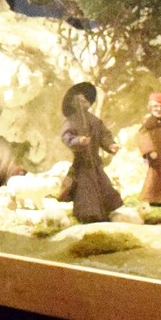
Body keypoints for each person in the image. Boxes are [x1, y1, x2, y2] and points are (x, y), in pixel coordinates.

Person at [59, 81, 120, 223]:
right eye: (79, 101)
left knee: (103, 185)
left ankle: (104, 213)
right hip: (81, 163)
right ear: (73, 102)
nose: (82, 103)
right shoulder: (71, 121)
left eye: (84, 100)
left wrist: (110, 145)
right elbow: (67, 137)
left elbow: (104, 134)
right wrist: (78, 141)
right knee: (85, 190)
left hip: (95, 162)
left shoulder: (94, 121)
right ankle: (87, 216)